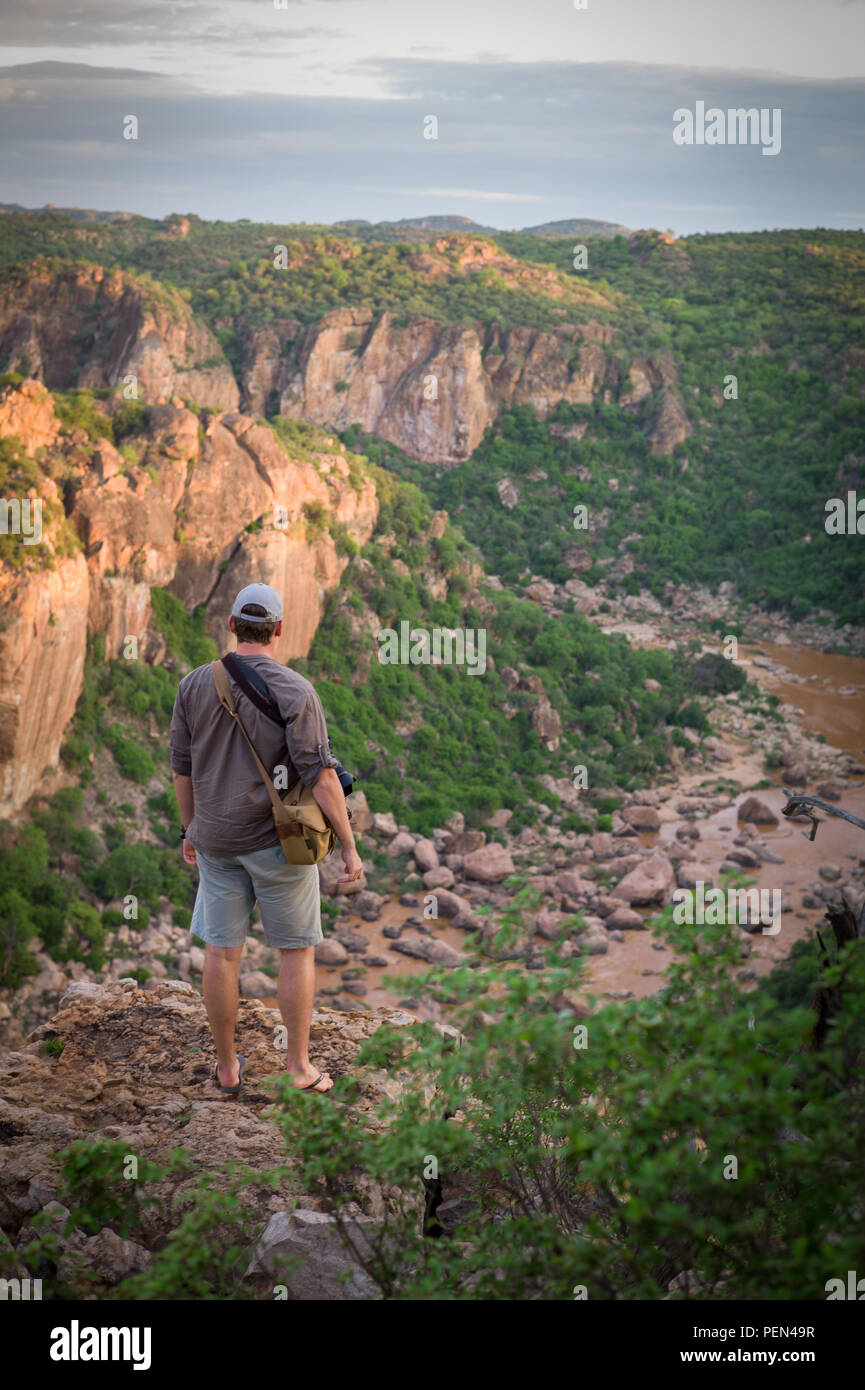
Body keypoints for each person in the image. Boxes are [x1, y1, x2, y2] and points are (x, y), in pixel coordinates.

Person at [169, 583, 363, 1095]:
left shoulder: (192, 685)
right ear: (279, 631)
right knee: (296, 951)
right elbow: (322, 778)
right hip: (282, 844)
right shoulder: (296, 690)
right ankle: (298, 1069)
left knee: (221, 952)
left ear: (231, 624)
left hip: (216, 842)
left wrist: (189, 828)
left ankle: (228, 1068)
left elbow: (182, 770)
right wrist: (349, 846)